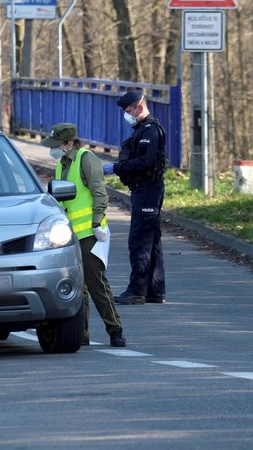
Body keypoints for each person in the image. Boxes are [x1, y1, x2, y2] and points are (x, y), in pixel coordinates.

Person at [42, 122, 126, 347]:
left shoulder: (85, 159)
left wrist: (98, 221)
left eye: (56, 145)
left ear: (69, 144)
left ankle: (115, 330)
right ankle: (82, 333)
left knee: (96, 283)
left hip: (90, 233)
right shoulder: (62, 164)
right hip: (69, 237)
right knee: (78, 287)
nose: (52, 149)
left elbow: (99, 192)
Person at [102, 90, 167, 305]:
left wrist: (116, 168)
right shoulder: (142, 129)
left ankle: (137, 291)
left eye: (129, 110)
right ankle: (155, 291)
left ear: (139, 106)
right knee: (152, 240)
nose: (127, 114)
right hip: (145, 188)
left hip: (148, 189)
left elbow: (145, 162)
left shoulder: (149, 130)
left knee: (140, 240)